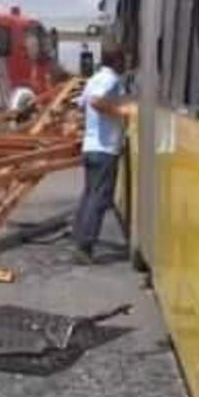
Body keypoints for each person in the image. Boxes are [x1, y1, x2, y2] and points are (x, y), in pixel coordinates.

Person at [69, 44, 131, 264]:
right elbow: (95, 102)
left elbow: (81, 104)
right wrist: (120, 111)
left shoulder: (93, 79)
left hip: (90, 146)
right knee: (100, 197)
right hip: (105, 148)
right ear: (116, 61)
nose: (125, 64)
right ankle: (85, 246)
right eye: (123, 60)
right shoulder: (111, 79)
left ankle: (78, 238)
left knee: (89, 194)